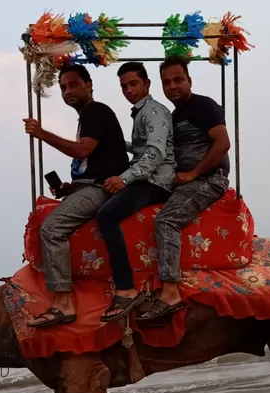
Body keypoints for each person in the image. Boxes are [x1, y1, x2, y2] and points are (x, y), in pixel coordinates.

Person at [22, 64, 130, 328]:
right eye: (62, 88)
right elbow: (92, 159)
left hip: (101, 188)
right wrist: (71, 188)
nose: (67, 91)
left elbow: (83, 150)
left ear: (89, 85)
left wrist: (42, 133)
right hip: (88, 185)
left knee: (52, 228)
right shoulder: (87, 117)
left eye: (72, 85)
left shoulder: (96, 111)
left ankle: (63, 302)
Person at [137, 56, 231, 322]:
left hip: (209, 178)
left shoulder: (203, 105)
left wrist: (195, 173)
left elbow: (223, 143)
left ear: (189, 80)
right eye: (167, 82)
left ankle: (170, 292)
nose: (173, 86)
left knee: (166, 221)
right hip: (185, 179)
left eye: (178, 80)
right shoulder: (175, 116)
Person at [96, 62, 177, 322]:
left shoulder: (153, 111)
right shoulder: (141, 112)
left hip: (157, 181)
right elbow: (143, 148)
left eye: (133, 84)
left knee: (106, 216)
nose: (129, 90)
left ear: (147, 84)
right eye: (124, 86)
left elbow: (154, 154)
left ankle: (126, 287)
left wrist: (124, 179)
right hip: (147, 176)